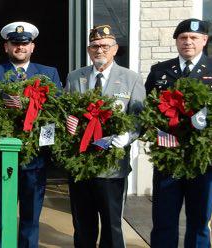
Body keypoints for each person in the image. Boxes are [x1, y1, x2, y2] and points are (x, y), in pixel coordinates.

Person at [145, 18, 212, 247]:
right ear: (176, 41)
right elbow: (147, 108)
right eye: (183, 37)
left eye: (194, 37)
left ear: (204, 40)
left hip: (206, 158)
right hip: (168, 157)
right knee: (163, 220)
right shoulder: (160, 71)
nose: (188, 42)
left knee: (199, 222)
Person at [0, 21, 62, 248]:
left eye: (25, 43)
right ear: (6, 46)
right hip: (3, 155)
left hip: (35, 157)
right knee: (2, 214)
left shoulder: (48, 74)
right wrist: (1, 104)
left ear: (32, 47)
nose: (20, 47)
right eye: (15, 43)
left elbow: (57, 110)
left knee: (31, 215)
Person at [65, 25, 146, 248]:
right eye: (94, 46)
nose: (99, 50)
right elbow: (67, 112)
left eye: (104, 46)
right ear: (89, 50)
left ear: (115, 49)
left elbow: (139, 118)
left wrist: (127, 136)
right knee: (82, 223)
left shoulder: (131, 79)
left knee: (112, 224)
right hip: (80, 164)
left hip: (112, 167)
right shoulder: (75, 77)